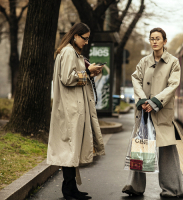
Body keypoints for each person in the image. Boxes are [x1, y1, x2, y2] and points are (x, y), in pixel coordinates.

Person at [122, 27, 183, 198]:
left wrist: (156, 101)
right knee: (141, 147)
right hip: (144, 112)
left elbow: (173, 85)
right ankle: (135, 186)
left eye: (158, 38)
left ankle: (172, 189)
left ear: (165, 41)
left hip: (162, 112)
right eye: (152, 38)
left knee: (167, 151)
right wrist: (143, 100)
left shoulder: (173, 62)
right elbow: (136, 78)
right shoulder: (144, 61)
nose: (154, 41)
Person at [47, 22, 105, 200]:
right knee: (70, 150)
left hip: (72, 108)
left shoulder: (72, 52)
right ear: (75, 36)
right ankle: (69, 191)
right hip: (70, 109)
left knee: (71, 150)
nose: (87, 42)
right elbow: (67, 78)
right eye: (84, 38)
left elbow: (73, 76)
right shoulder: (68, 52)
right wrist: (88, 72)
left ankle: (72, 189)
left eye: (88, 39)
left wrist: (89, 72)